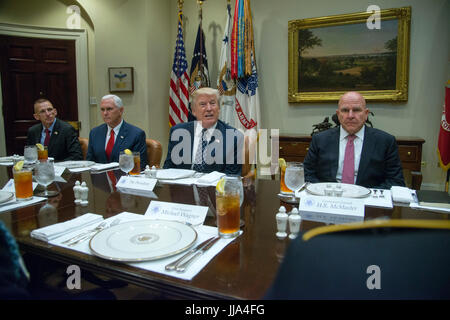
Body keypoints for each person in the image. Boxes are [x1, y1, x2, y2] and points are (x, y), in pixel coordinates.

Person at [303, 91, 405, 189]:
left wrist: (365, 194)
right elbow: (307, 173)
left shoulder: (385, 141)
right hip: (329, 198)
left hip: (368, 201)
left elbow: (395, 181)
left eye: (356, 110)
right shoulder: (320, 139)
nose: (350, 116)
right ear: (338, 115)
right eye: (345, 110)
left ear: (366, 114)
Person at [163, 87, 243, 175]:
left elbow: (231, 177)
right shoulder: (178, 132)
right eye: (203, 104)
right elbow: (168, 170)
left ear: (219, 108)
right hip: (182, 187)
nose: (209, 108)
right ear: (193, 111)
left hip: (215, 188)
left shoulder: (233, 137)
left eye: (212, 103)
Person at [86, 94, 148, 169]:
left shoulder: (136, 134)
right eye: (102, 109)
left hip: (124, 178)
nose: (105, 113)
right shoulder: (95, 133)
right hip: (100, 179)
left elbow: (140, 166)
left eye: (109, 109)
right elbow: (89, 163)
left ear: (120, 110)